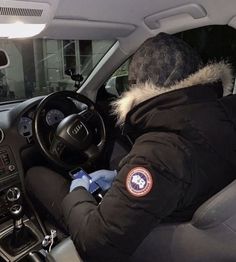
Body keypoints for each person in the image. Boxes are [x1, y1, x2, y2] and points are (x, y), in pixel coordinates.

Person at [26, 33, 236, 262]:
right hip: (200, 216)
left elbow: (97, 244)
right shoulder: (222, 110)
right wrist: (119, 175)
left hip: (158, 242)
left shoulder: (159, 152)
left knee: (37, 176)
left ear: (136, 86)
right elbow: (184, 169)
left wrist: (78, 191)